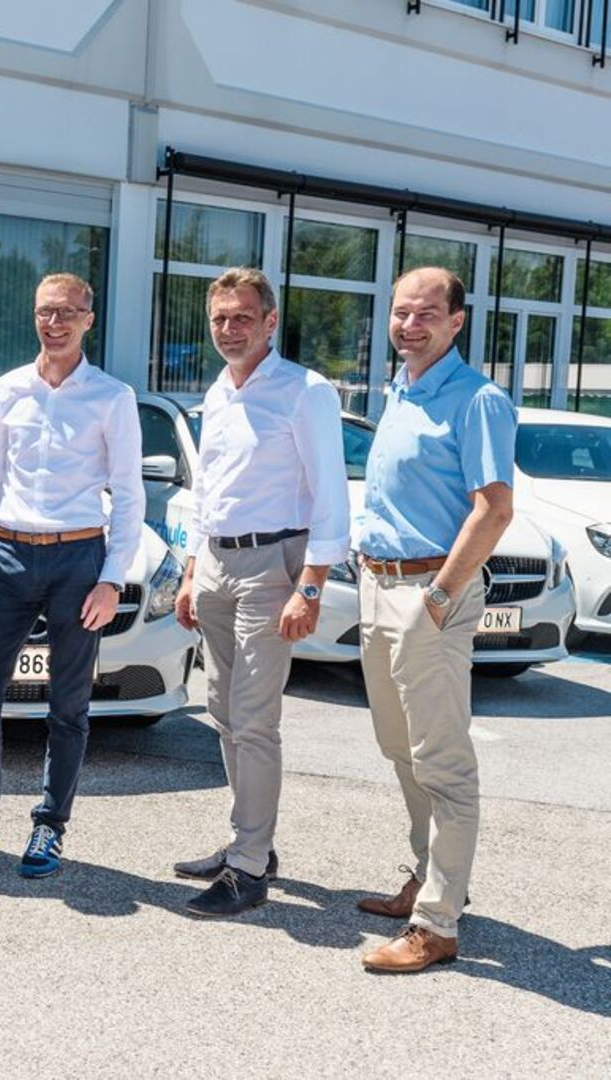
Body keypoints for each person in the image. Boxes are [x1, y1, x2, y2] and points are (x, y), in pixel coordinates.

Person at [0, 272, 141, 879]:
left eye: (67, 312)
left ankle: (50, 826)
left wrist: (112, 579)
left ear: (89, 319)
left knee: (68, 705)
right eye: (45, 312)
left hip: (78, 560)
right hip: (8, 558)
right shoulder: (9, 388)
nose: (54, 323)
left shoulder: (112, 397)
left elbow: (130, 494)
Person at [170, 268, 349, 917]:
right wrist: (192, 571)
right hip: (217, 563)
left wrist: (312, 587)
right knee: (221, 709)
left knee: (254, 717)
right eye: (220, 318)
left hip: (274, 565)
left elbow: (331, 494)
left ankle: (247, 868)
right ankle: (252, 841)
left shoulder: (306, 391)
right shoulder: (218, 391)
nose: (229, 329)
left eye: (243, 317)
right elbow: (207, 490)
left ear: (271, 322)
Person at [353, 266, 515, 972]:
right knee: (400, 747)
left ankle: (438, 924)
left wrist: (441, 598)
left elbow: (494, 510)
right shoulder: (400, 388)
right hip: (378, 587)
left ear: (456, 322)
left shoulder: (477, 399)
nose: (410, 325)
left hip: (430, 594)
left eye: (426, 314)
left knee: (444, 762)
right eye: (401, 312)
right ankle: (430, 877)